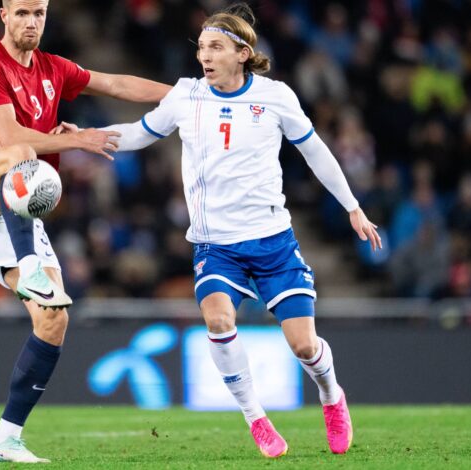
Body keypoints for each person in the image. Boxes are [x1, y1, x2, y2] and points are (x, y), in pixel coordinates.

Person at [100, 3, 381, 459]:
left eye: (216, 47)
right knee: (217, 320)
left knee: (305, 346)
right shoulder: (187, 96)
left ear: (243, 53)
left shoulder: (276, 97)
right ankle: (256, 418)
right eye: (202, 48)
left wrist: (352, 207)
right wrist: (87, 136)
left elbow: (316, 152)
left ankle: (332, 397)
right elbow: (137, 134)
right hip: (216, 245)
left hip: (273, 242)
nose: (204, 56)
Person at [0, 0, 170, 463]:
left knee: (54, 318)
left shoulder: (53, 69)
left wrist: (186, 93)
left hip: (11, 209)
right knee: (20, 151)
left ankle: (6, 437)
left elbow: (116, 83)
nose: (31, 22)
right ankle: (29, 265)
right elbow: (8, 139)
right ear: (3, 14)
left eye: (38, 13)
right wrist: (77, 139)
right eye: (22, 12)